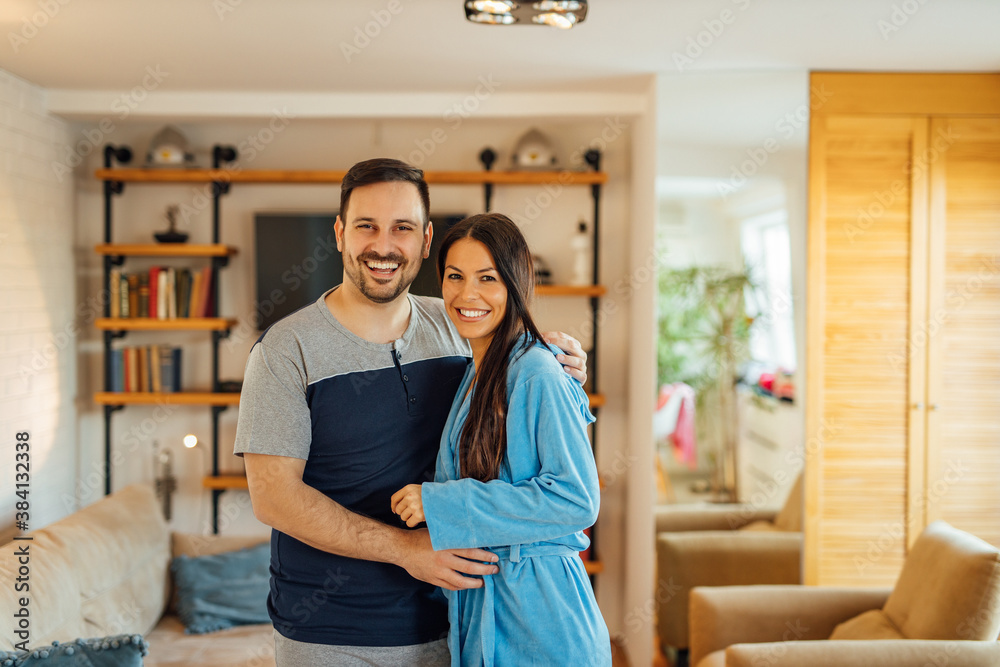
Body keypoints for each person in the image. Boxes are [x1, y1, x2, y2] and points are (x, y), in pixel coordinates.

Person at [233, 158, 589, 667]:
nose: (383, 245)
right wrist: (406, 549)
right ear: (339, 233)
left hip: (456, 617)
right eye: (366, 226)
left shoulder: (460, 325)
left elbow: (525, 386)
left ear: (425, 240)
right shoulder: (284, 350)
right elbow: (273, 498)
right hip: (331, 632)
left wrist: (565, 362)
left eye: (401, 227)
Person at [390, 213, 611, 667]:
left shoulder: (535, 371)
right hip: (490, 613)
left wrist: (441, 503)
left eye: (487, 278)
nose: (467, 294)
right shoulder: (476, 370)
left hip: (542, 619)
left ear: (516, 283)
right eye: (455, 276)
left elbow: (576, 499)